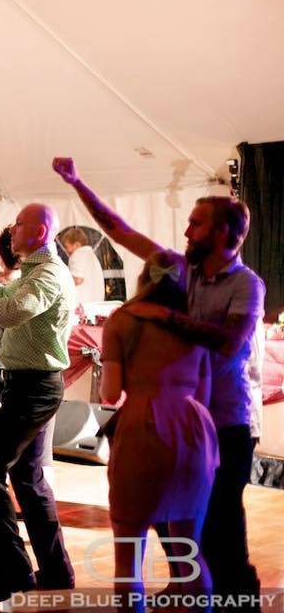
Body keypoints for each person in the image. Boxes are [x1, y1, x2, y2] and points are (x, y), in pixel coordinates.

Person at [53, 157, 265, 605]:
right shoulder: (181, 272)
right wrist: (77, 182)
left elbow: (230, 342)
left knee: (223, 532)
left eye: (196, 224)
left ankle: (237, 600)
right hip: (189, 417)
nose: (186, 232)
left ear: (224, 233)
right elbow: (119, 229)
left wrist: (162, 316)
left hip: (225, 420)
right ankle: (188, 591)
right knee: (181, 530)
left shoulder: (247, 285)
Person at [0, 203, 76, 603]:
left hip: (34, 389)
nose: (11, 231)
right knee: (29, 479)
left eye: (19, 224)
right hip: (31, 386)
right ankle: (56, 571)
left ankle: (14, 574)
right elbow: (12, 298)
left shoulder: (49, 273)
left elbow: (16, 310)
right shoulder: (37, 271)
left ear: (40, 231)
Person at [100, 251, 218, 609]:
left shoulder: (122, 320)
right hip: (194, 428)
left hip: (143, 424)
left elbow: (109, 393)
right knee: (189, 549)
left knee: (129, 553)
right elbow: (205, 391)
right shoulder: (194, 323)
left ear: (143, 277)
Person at [61, 227, 106, 304]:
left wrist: (60, 279)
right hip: (95, 302)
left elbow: (77, 280)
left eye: (67, 246)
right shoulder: (90, 255)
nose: (66, 250)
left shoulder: (78, 254)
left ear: (76, 245)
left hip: (83, 304)